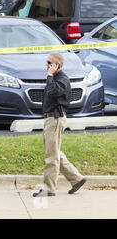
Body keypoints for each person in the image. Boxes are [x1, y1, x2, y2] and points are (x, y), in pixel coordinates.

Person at [33, 53, 87, 197]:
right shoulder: (55, 78)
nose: (47, 65)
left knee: (51, 156)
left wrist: (50, 76)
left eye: (50, 63)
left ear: (58, 65)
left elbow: (52, 91)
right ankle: (77, 179)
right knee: (54, 152)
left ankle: (49, 189)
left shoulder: (62, 79)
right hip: (50, 119)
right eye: (47, 62)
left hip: (55, 119)